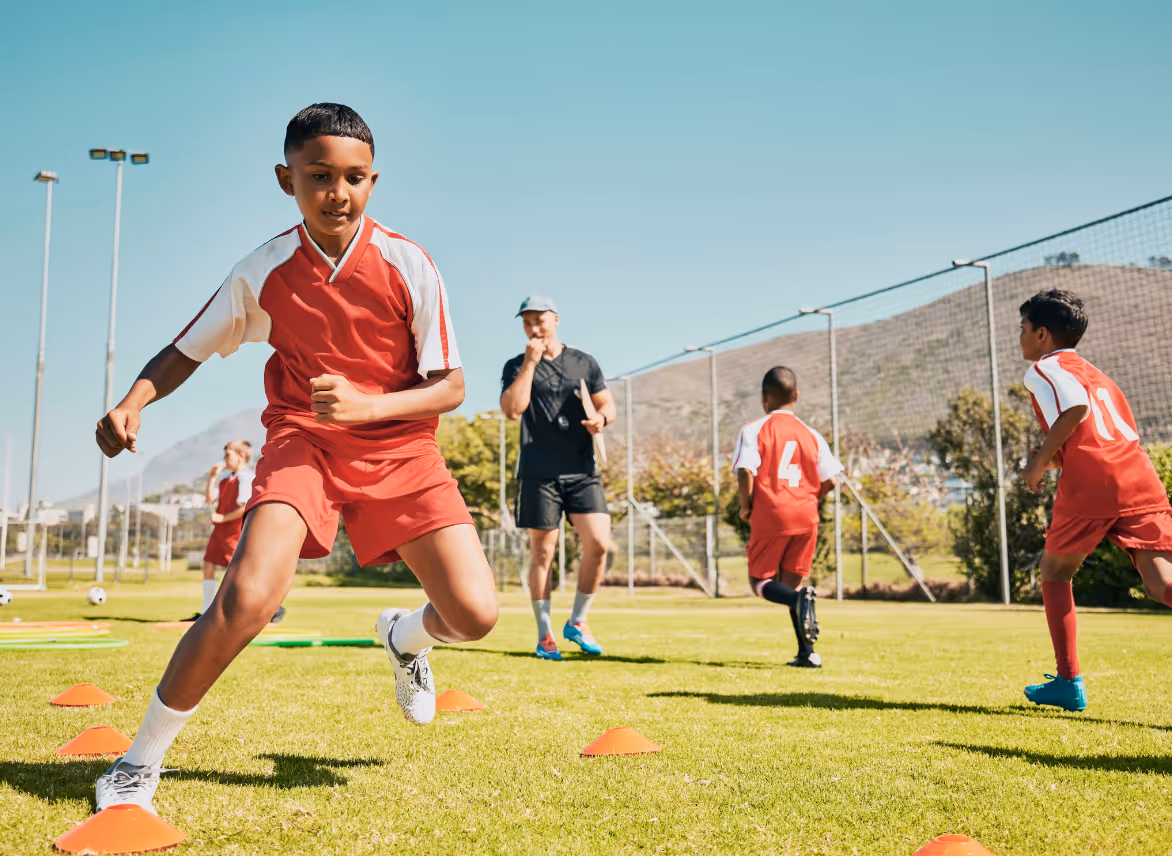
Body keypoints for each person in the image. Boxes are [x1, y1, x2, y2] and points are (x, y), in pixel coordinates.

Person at [91, 103, 498, 815]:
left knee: (474, 614)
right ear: (287, 180)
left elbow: (453, 387)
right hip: (303, 444)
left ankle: (404, 639)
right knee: (246, 598)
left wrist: (369, 406)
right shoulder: (264, 269)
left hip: (401, 449)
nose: (337, 192)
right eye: (319, 176)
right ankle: (135, 765)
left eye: (354, 178)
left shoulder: (409, 263)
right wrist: (133, 402)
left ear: (374, 181)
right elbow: (186, 348)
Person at [1019, 289, 1172, 711]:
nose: (1022, 336)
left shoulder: (1043, 368)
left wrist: (1038, 466)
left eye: (1024, 328)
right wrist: (1052, 458)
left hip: (1094, 484)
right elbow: (1106, 432)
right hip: (1138, 476)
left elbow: (1075, 410)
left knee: (1053, 573)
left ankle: (1068, 682)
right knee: (1162, 585)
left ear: (1043, 334)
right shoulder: (1098, 372)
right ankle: (1066, 683)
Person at [500, 296, 615, 660]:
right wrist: (531, 363)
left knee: (599, 544)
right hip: (539, 471)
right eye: (528, 322)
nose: (534, 328)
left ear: (556, 320)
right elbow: (512, 410)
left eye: (541, 320)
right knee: (543, 552)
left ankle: (578, 622)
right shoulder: (516, 365)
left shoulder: (584, 361)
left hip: (582, 471)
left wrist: (602, 419)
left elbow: (606, 404)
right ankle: (545, 633)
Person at [732, 367, 842, 668]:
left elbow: (745, 469)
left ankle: (799, 604)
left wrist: (746, 505)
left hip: (771, 513)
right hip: (807, 515)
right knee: (793, 586)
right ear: (795, 396)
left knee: (760, 581)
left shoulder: (754, 430)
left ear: (764, 398)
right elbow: (831, 481)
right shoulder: (813, 434)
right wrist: (806, 499)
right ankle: (808, 654)